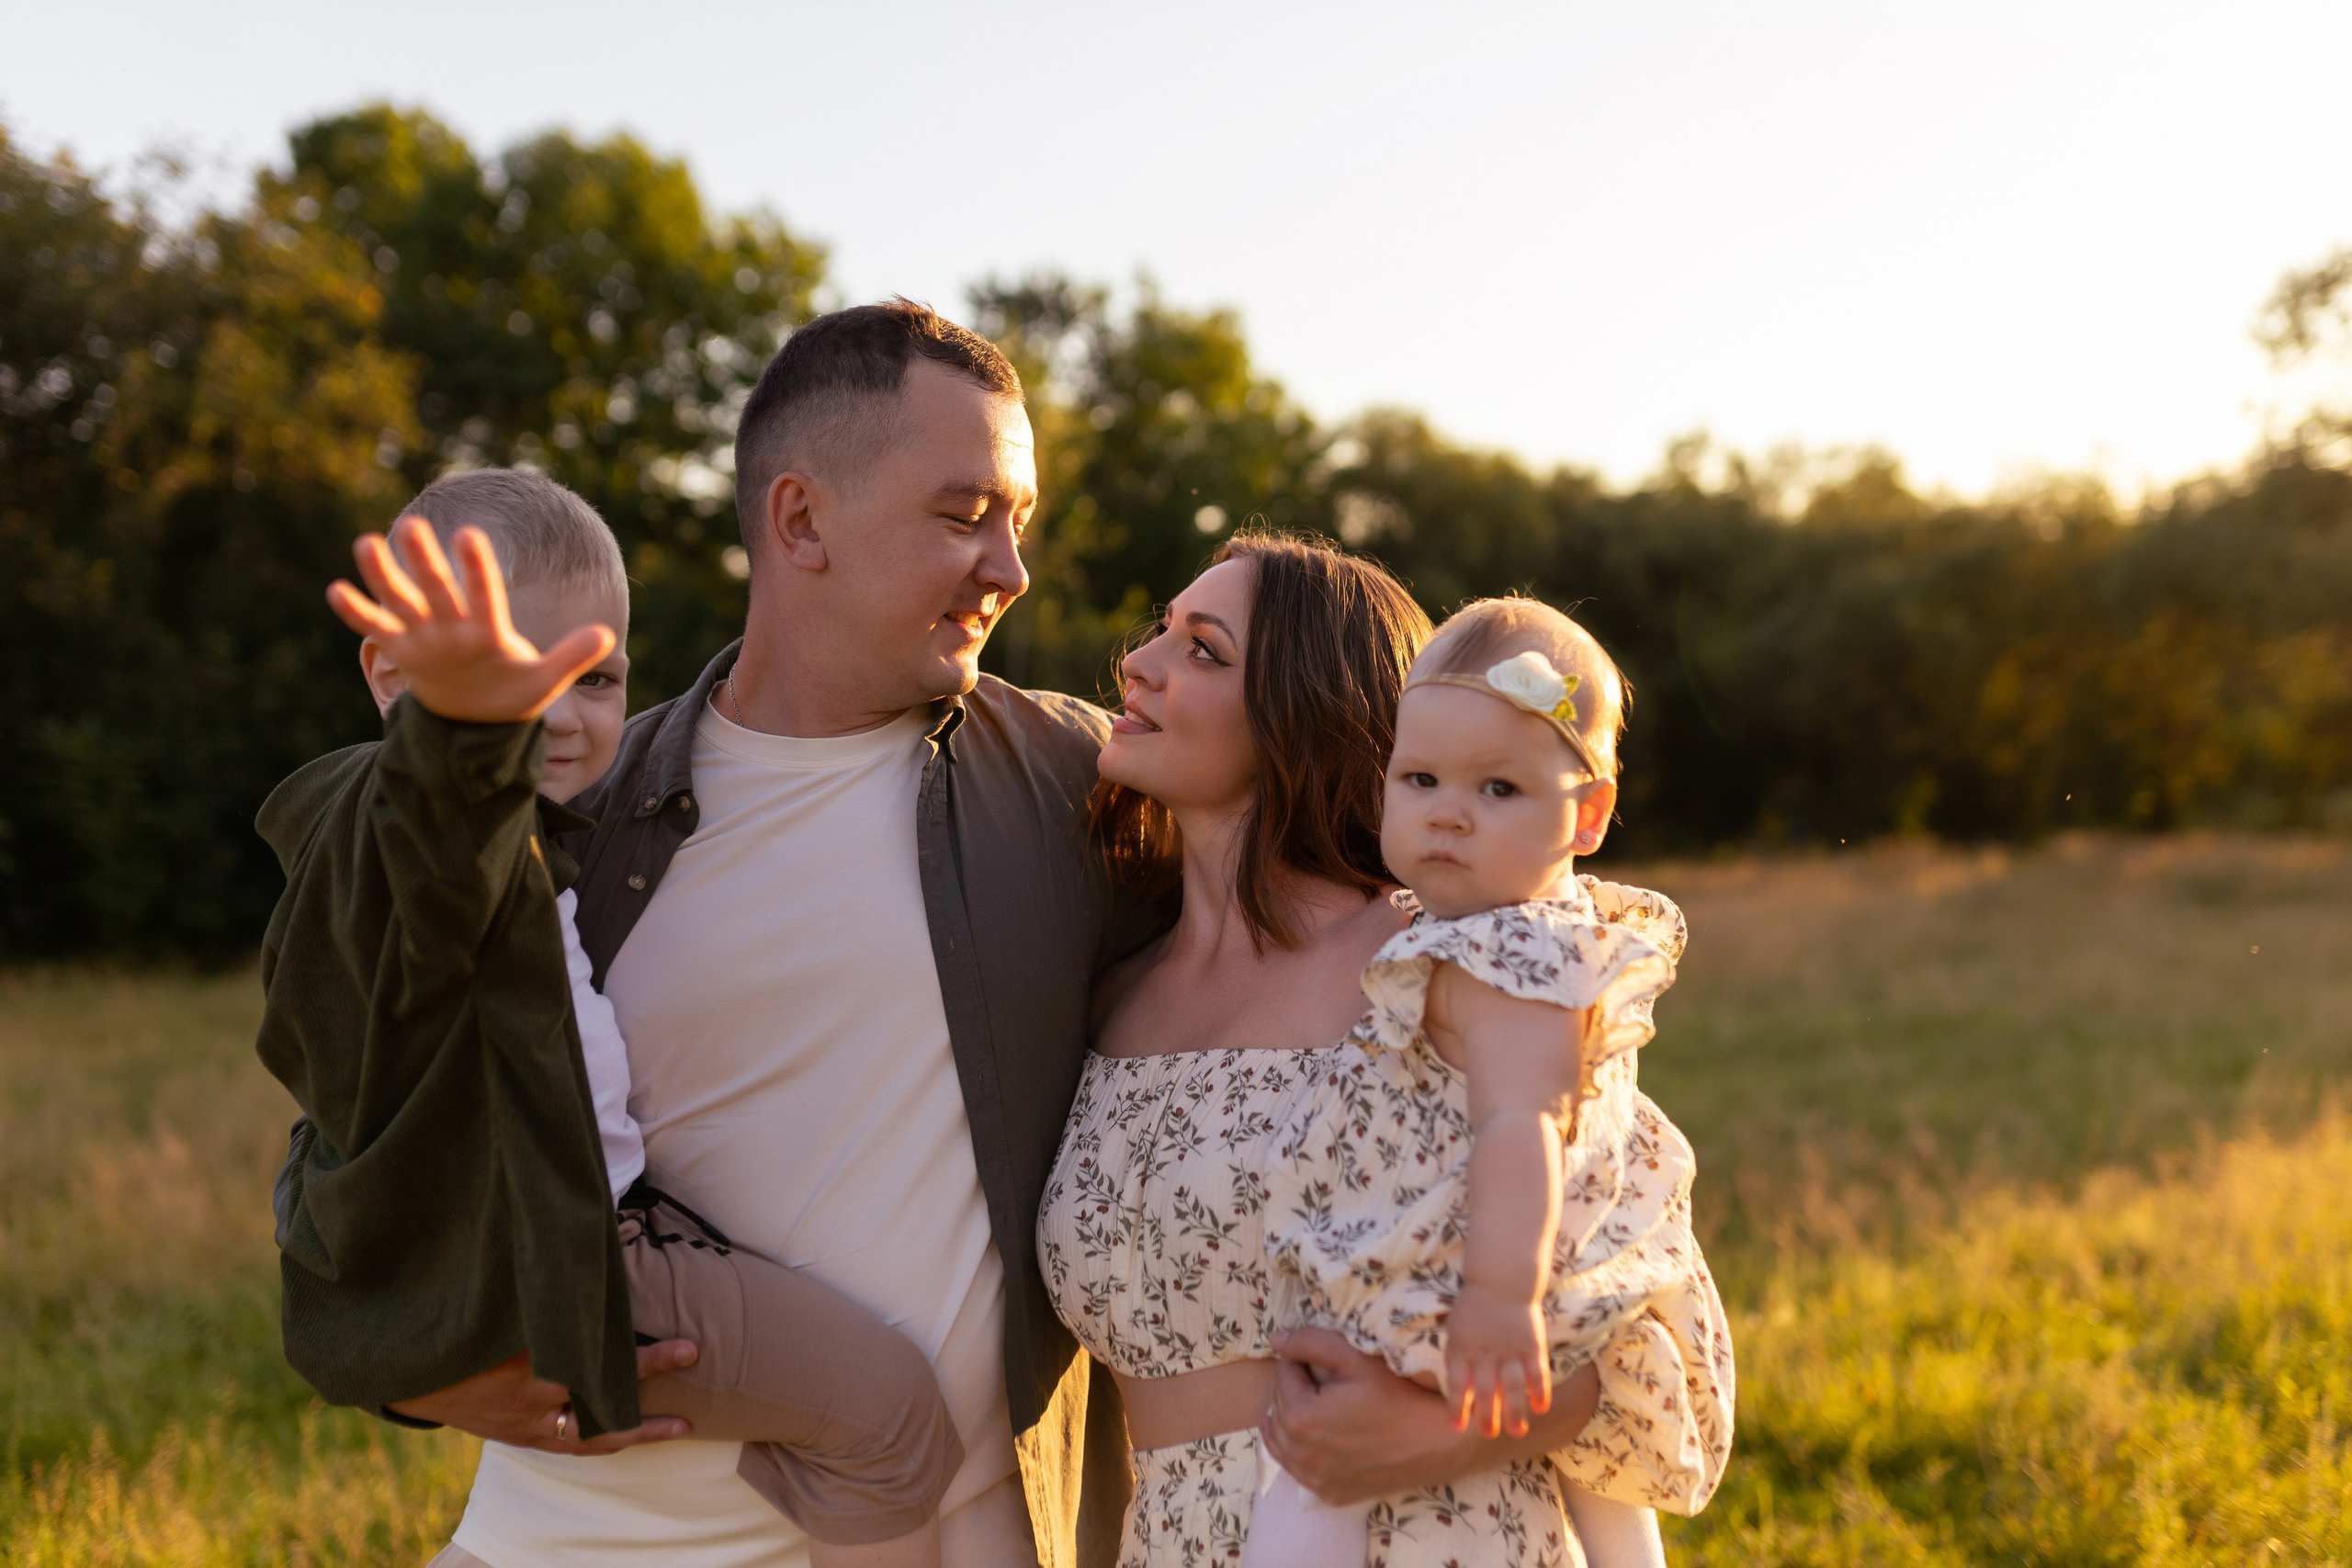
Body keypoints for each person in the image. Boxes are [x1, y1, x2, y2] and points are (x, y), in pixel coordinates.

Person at [350, 302, 1524, 1568]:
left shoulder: (1075, 785)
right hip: (577, 1540)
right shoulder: (582, 807)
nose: (1012, 567)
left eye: (1020, 518)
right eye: (967, 513)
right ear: (801, 521)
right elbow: (361, 1121)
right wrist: (408, 1366)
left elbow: (1353, 878)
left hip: (949, 1531)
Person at [258, 468, 964, 1568]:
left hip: (565, 1253)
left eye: (596, 678)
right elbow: (440, 847)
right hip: (561, 1269)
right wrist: (460, 743)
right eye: (505, 678)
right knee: (892, 1417)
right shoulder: (406, 837)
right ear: (391, 675)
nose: (559, 715)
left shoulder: (559, 849)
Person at [1039, 536, 1717, 1568]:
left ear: (1304, 712)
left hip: (1436, 1533)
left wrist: (1439, 1430)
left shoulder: (1437, 968)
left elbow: (1634, 1311)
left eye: (1205, 650)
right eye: (1157, 634)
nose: (1139, 664)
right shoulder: (1105, 995)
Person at [1258, 595, 1737, 1568]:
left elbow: (1523, 1121)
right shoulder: (1538, 937)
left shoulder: (1505, 957)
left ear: (1588, 814)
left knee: (1307, 1488)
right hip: (1576, 1273)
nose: (1447, 811)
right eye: (1421, 778)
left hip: (1482, 1269)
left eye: (1499, 790)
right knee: (1604, 1501)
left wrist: (1497, 1294)